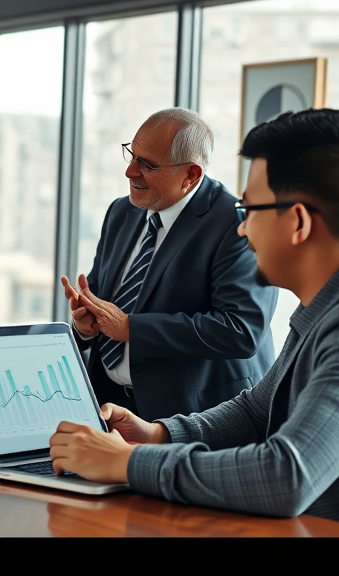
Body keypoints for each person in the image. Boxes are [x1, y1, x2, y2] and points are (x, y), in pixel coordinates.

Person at [49, 108, 339, 537]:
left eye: (250, 210)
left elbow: (286, 476)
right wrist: (156, 434)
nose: (243, 229)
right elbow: (255, 412)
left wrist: (125, 462)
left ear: (298, 222)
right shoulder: (334, 305)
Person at [62, 108, 277, 420]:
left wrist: (130, 328)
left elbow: (241, 330)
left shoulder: (237, 223)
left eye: (147, 165)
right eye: (132, 155)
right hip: (109, 406)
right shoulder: (121, 212)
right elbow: (102, 301)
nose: (130, 172)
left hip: (195, 417)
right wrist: (84, 326)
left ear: (190, 174)